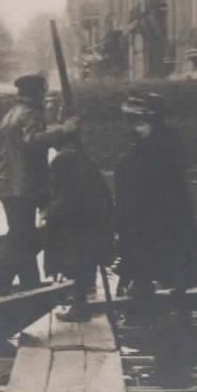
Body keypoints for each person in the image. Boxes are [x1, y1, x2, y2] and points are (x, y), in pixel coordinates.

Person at [113, 94, 197, 297]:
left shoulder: (166, 142)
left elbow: (172, 169)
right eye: (135, 123)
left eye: (141, 124)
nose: (137, 129)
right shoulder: (138, 144)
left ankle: (179, 283)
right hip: (141, 207)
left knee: (172, 243)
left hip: (165, 206)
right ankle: (142, 281)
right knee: (140, 242)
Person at [0, 74, 74, 295]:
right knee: (19, 238)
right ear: (36, 93)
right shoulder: (30, 114)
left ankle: (30, 288)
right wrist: (64, 130)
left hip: (8, 185)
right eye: (43, 93)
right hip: (23, 187)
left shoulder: (9, 116)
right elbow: (33, 141)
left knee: (22, 236)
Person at [45, 120, 114, 320]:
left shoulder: (61, 162)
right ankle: (80, 301)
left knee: (71, 260)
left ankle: (79, 305)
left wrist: (50, 213)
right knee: (84, 261)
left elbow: (62, 196)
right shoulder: (84, 159)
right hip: (90, 221)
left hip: (74, 222)